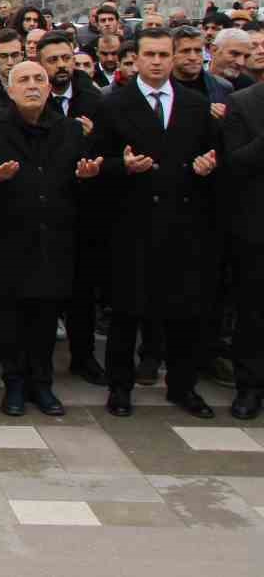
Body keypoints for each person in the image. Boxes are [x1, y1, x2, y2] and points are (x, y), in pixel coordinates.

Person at [91, 27, 220, 419]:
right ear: (138, 58)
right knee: (127, 314)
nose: (158, 61)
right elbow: (95, 162)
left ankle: (183, 386)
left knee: (183, 313)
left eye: (165, 54)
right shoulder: (114, 104)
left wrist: (208, 165)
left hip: (183, 224)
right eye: (150, 54)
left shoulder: (197, 105)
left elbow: (215, 155)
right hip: (133, 223)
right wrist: (122, 166)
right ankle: (120, 386)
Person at [0, 60, 103, 416]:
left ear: (50, 88)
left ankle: (42, 384)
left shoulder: (72, 132)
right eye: (23, 80)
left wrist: (87, 178)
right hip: (11, 241)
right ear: (9, 89)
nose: (32, 86)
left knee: (47, 321)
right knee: (13, 322)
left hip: (56, 242)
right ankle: (14, 384)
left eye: (39, 80)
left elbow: (82, 192)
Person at [222, 77, 264, 419]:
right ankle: (249, 386)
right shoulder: (243, 103)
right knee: (252, 312)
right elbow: (235, 164)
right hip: (255, 229)